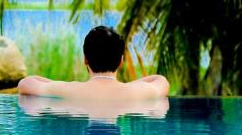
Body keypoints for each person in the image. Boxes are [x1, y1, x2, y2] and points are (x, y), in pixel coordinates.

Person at [17, 25, 169, 100]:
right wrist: (128, 86)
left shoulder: (67, 90)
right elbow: (160, 80)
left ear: (85, 59)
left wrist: (59, 84)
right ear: (121, 61)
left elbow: (25, 83)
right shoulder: (138, 92)